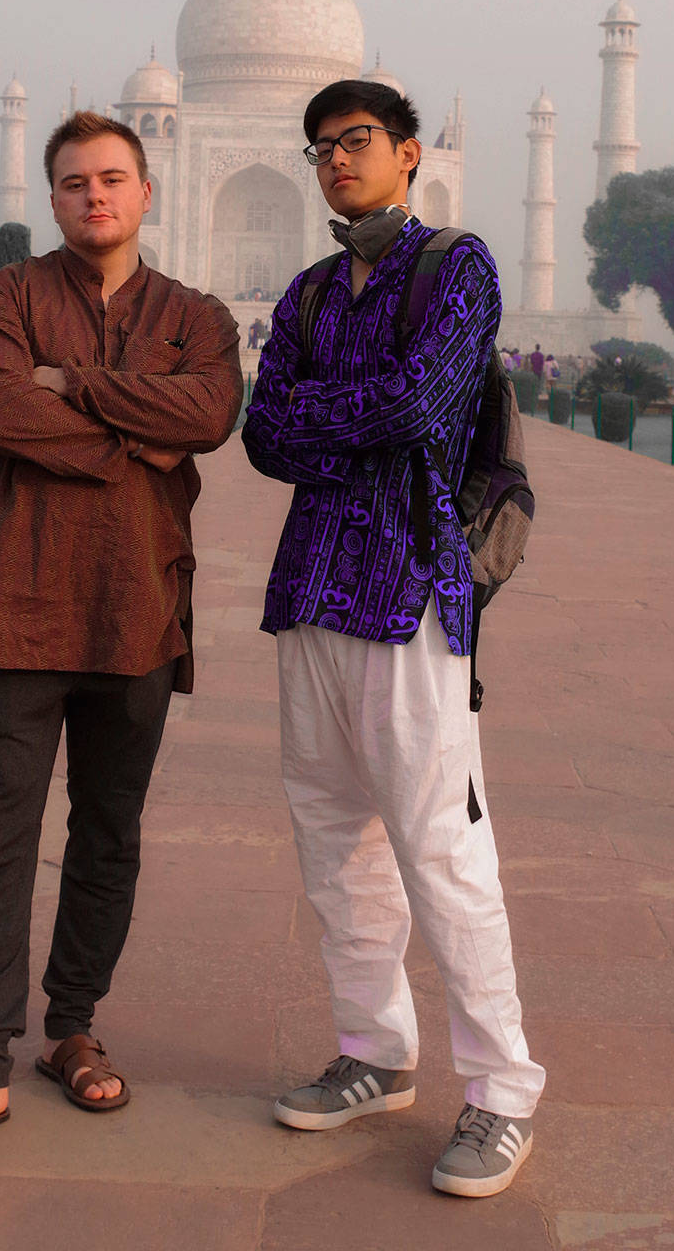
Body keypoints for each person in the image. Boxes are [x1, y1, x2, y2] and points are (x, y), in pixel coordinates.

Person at [0, 111, 243, 1162]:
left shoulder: (196, 313)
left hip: (135, 607)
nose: (96, 195)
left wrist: (76, 386)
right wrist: (137, 433)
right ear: (52, 198)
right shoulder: (3, 298)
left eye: (114, 179)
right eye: (76, 181)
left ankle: (72, 1026)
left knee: (107, 833)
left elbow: (212, 413)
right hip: (15, 602)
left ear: (147, 191)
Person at [243, 79, 544, 1201]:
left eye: (354, 141)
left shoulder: (453, 266)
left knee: (440, 852)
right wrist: (346, 418)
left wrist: (333, 415)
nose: (334, 160)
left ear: (410, 152)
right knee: (334, 845)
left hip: (412, 592)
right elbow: (262, 433)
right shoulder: (313, 289)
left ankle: (503, 1091)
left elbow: (422, 409)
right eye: (318, 147)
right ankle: (375, 1051)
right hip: (311, 590)